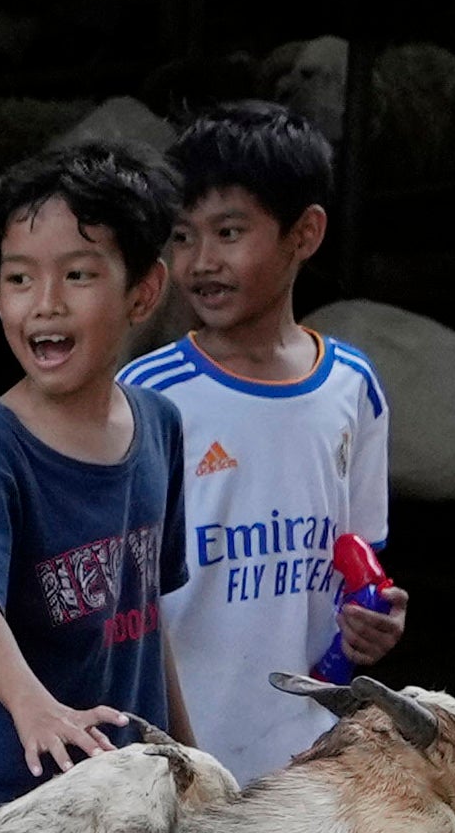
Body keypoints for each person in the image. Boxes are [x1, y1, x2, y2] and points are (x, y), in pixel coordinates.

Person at [123, 100, 405, 786]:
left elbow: (359, 566)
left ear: (304, 233)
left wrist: (374, 626)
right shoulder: (142, 398)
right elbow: (118, 598)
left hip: (308, 765)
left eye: (228, 232)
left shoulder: (353, 388)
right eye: (183, 236)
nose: (200, 262)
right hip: (168, 768)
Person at [0, 144, 194, 831]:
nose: (44, 304)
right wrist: (33, 704)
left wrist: (189, 758)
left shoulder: (160, 426)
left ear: (143, 291)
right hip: (9, 808)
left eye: (77, 275)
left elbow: (146, 613)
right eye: (20, 279)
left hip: (126, 802)